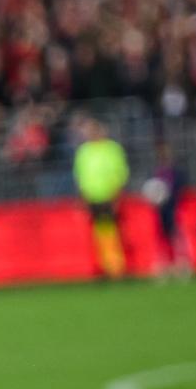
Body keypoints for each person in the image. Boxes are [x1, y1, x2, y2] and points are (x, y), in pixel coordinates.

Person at [73, 117, 132, 281]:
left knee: (112, 231)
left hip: (109, 195)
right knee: (99, 233)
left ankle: (117, 267)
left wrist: (116, 195)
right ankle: (106, 266)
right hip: (92, 197)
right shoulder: (84, 151)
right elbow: (80, 175)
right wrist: (82, 196)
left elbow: (119, 173)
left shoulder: (112, 148)